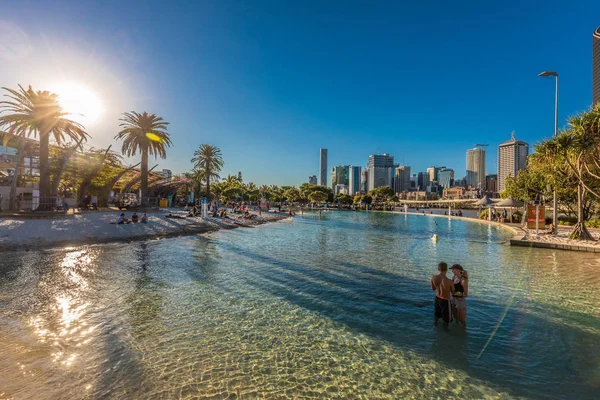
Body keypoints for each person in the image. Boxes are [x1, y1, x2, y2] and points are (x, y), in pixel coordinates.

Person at [431, 262, 456, 330]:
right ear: (446, 270)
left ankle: (435, 325)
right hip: (445, 300)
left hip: (437, 298)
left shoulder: (433, 277)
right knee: (446, 319)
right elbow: (453, 292)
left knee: (437, 315)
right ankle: (446, 331)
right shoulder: (450, 281)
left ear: (438, 269)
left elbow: (433, 288)